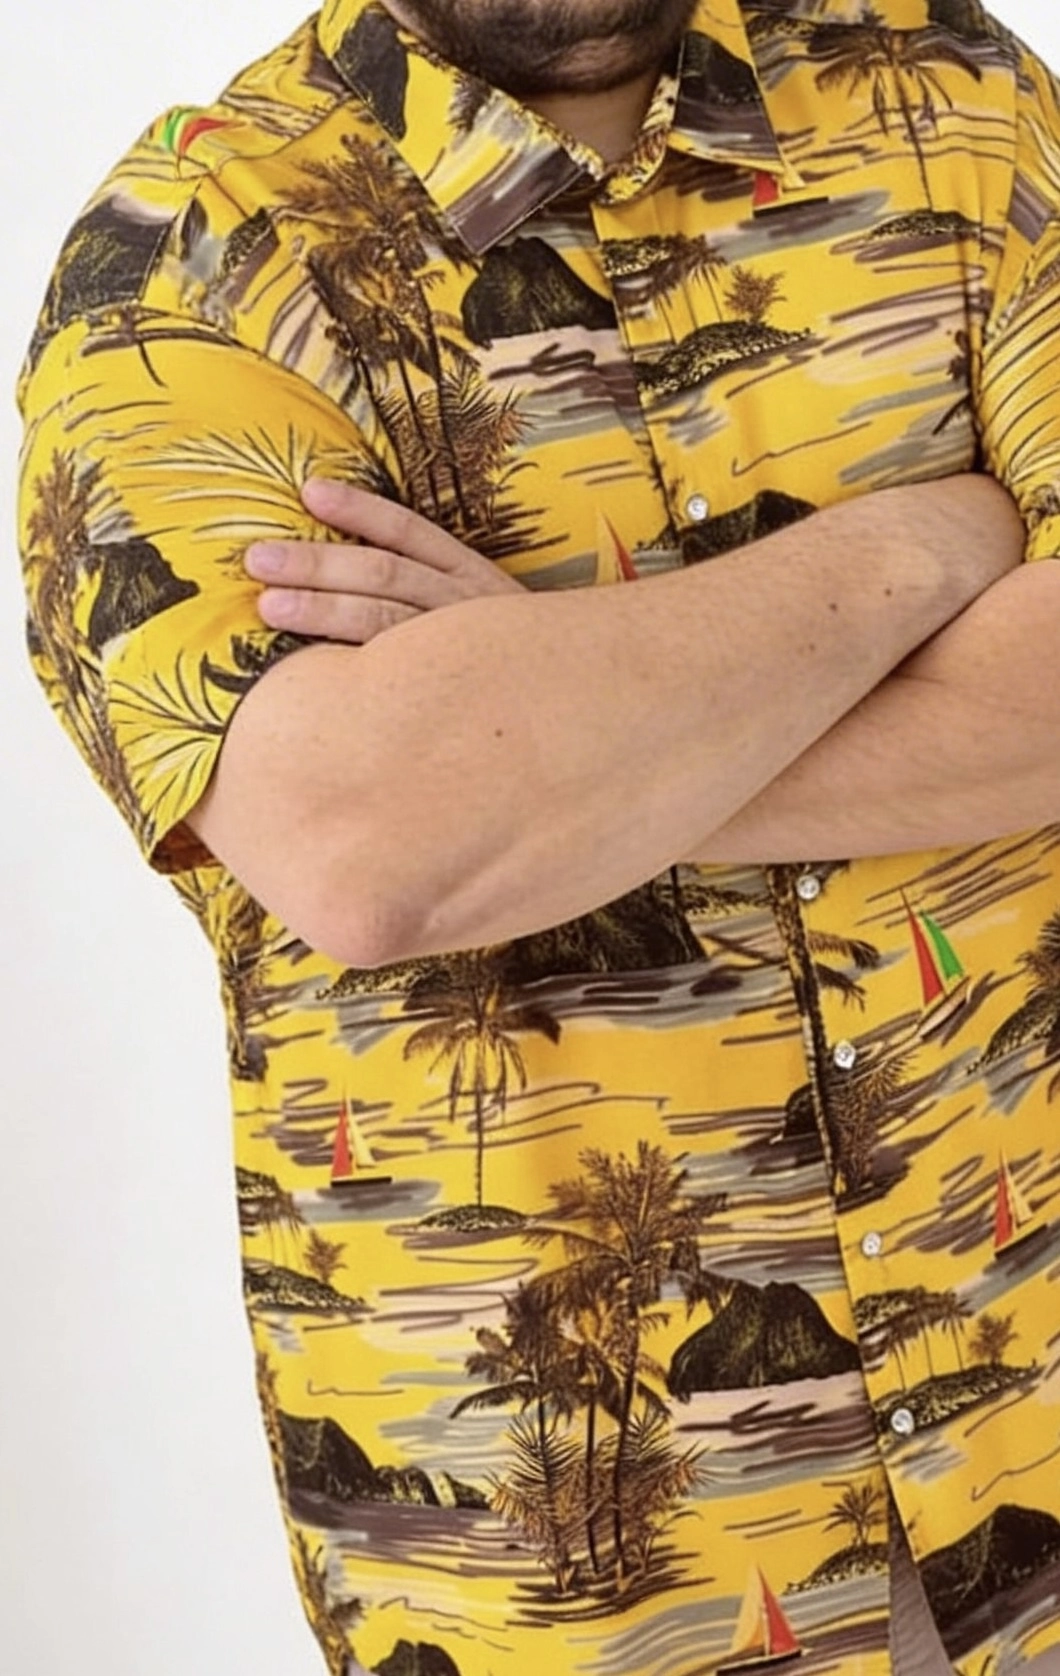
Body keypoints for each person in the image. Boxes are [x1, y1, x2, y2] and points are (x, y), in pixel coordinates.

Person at [16, 0, 1060, 1672]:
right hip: (584, 1581)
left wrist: (560, 751)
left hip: (1031, 1418)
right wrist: (928, 546)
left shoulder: (955, 100)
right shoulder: (191, 261)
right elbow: (373, 847)